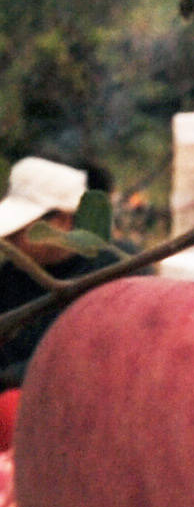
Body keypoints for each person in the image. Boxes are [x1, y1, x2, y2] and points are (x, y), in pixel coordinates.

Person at [0, 158, 113, 407]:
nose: (10, 241)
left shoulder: (111, 276)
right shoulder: (9, 276)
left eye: (20, 231)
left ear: (63, 221)